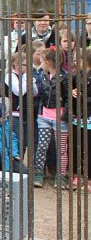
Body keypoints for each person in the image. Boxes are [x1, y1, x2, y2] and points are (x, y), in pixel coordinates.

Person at [33, 48, 70, 188]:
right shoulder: (43, 75)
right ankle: (38, 174)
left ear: (48, 62)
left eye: (42, 60)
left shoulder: (65, 77)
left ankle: (61, 176)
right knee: (41, 146)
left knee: (61, 148)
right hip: (44, 116)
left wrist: (64, 115)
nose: (40, 63)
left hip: (59, 117)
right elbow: (41, 94)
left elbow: (68, 99)